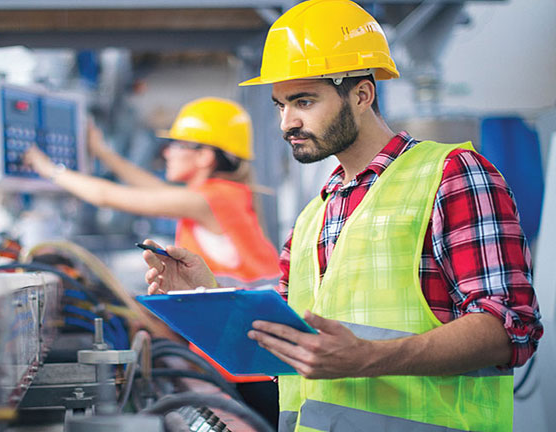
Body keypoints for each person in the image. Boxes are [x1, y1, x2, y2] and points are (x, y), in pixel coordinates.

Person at [141, 1, 543, 431]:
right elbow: (286, 341)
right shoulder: (315, 214)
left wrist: (367, 358)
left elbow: (510, 326)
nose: (286, 123)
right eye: (280, 105)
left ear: (362, 94)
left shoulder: (451, 176)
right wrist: (208, 295)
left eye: (304, 101)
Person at [24, 97, 282, 425]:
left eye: (176, 144)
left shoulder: (213, 199)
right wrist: (103, 153)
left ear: (204, 155)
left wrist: (47, 169)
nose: (166, 152)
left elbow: (108, 197)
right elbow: (152, 188)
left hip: (247, 359)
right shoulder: (219, 195)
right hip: (247, 351)